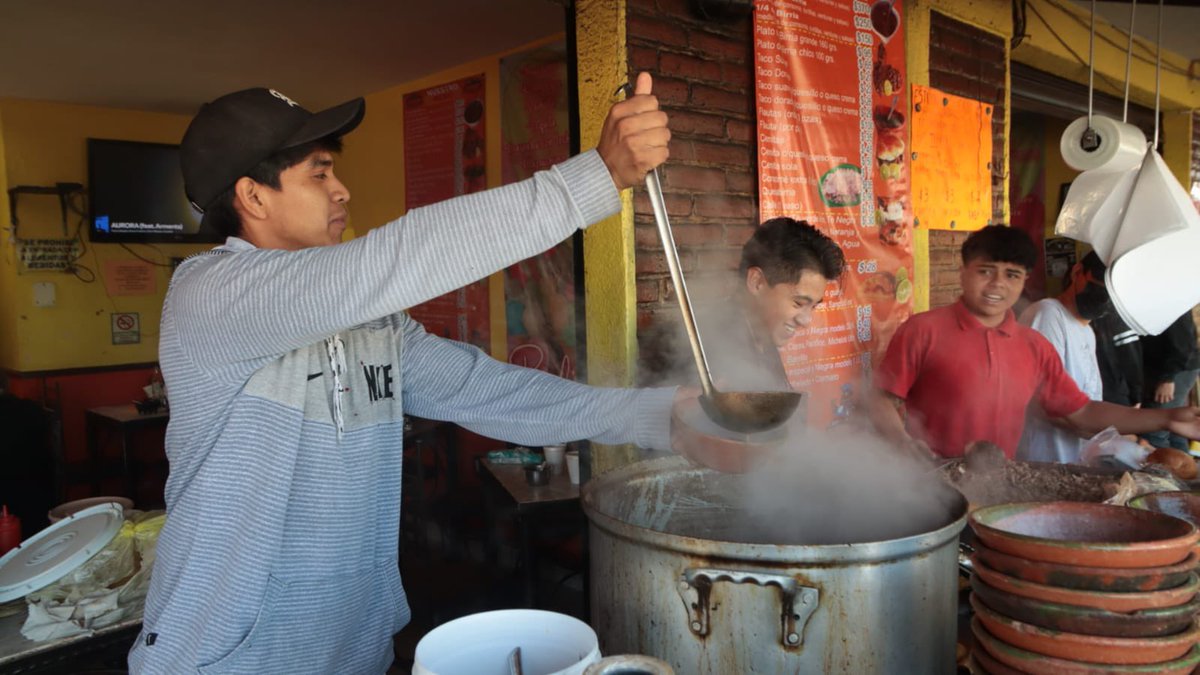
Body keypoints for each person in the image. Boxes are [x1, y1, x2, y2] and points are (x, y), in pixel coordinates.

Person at [130, 75, 676, 674]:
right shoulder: (210, 293)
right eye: (318, 174)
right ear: (253, 198)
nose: (341, 191)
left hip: (352, 648)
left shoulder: (370, 319)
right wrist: (597, 177)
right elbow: (395, 257)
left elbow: (480, 388)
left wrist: (659, 416)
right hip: (233, 656)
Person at [867, 225, 1200, 460]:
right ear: (964, 272)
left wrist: (1166, 419)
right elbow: (881, 399)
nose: (997, 284)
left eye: (1012, 274)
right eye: (986, 271)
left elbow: (1080, 412)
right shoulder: (923, 330)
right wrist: (903, 444)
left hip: (998, 486)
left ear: (1024, 280)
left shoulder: (1034, 346)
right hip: (929, 484)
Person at [697, 217, 845, 393]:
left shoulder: (762, 336)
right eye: (798, 303)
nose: (806, 320)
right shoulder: (703, 345)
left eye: (813, 306)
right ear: (757, 282)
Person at [1015, 251, 1112, 463]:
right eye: (1099, 288)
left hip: (1072, 460)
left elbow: (1087, 400)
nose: (1105, 299)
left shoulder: (1087, 331)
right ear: (1078, 272)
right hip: (1042, 460)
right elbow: (1047, 403)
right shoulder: (1048, 314)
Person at [1141, 311, 1200, 450]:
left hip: (1176, 369)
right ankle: (1185, 469)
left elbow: (1184, 346)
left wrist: (1168, 378)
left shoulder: (1171, 303)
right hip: (1168, 366)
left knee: (1155, 430)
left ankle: (1163, 470)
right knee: (1175, 427)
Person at [1092, 309, 1143, 407]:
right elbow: (1131, 357)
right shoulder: (1118, 317)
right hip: (1114, 391)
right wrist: (1136, 395)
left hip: (1090, 392)